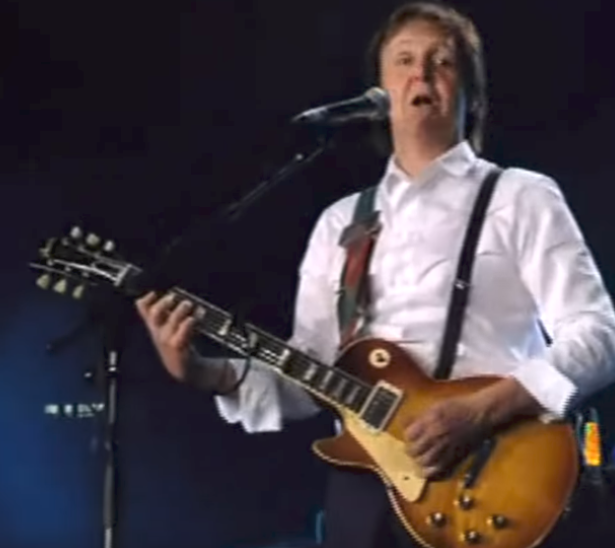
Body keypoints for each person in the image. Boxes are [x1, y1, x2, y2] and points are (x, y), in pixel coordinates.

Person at [136, 2, 615, 547]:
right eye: (404, 61)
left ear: (473, 95)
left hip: (494, 476)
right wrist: (204, 372)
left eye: (442, 61)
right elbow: (310, 372)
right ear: (380, 93)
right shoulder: (342, 222)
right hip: (367, 494)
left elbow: (600, 336)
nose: (422, 74)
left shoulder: (520, 196)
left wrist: (480, 412)